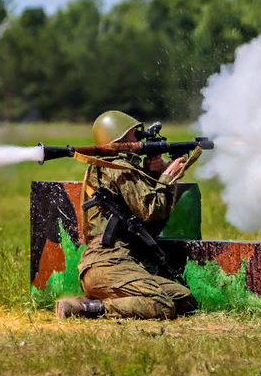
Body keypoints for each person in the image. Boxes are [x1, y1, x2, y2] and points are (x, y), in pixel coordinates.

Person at [55, 110, 199, 320]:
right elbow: (151, 212)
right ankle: (83, 309)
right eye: (134, 136)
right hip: (107, 262)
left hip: (118, 263)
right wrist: (168, 178)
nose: (139, 142)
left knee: (182, 297)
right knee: (161, 305)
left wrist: (152, 173)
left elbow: (136, 206)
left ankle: (103, 303)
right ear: (119, 138)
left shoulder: (110, 167)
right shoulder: (119, 168)